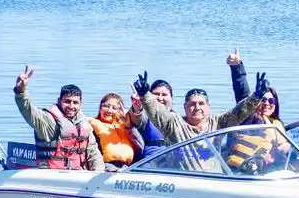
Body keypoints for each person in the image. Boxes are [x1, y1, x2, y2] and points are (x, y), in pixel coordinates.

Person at [133, 70, 268, 171]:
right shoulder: (175, 124)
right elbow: (158, 113)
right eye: (192, 104)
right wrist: (145, 95)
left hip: (213, 182)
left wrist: (257, 96)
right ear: (185, 107)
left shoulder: (218, 123)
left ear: (209, 107)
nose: (197, 108)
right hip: (182, 183)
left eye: (201, 104)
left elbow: (239, 113)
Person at [13, 66, 103, 171]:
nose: (71, 106)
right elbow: (29, 112)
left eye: (75, 102)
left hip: (79, 174)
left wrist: (99, 174)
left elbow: (93, 152)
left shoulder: (84, 124)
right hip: (52, 175)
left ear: (81, 104)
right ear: (59, 101)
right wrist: (21, 92)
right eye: (67, 101)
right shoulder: (48, 121)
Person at [89, 93, 144, 171]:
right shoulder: (92, 125)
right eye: (106, 106)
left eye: (114, 108)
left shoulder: (123, 125)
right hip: (106, 167)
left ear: (119, 111)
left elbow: (141, 147)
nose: (109, 110)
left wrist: (129, 126)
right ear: (100, 108)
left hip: (127, 167)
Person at [128, 79, 173, 159]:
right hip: (149, 164)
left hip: (174, 163)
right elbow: (137, 118)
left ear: (171, 98)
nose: (160, 98)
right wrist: (137, 107)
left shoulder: (178, 120)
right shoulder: (146, 117)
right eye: (156, 94)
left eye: (164, 95)